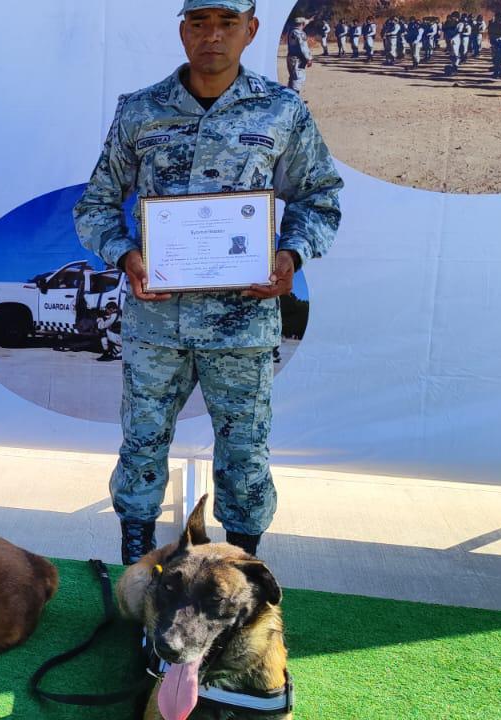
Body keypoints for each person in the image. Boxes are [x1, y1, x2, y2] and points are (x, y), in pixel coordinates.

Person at [74, 0, 343, 564]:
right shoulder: (140, 111)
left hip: (241, 323)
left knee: (244, 454)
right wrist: (125, 256)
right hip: (157, 323)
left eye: (225, 23)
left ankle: (242, 569)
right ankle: (138, 567)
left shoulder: (281, 110)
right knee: (142, 446)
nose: (212, 36)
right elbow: (96, 204)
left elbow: (320, 198)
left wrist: (290, 255)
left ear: (251, 29)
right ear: (182, 30)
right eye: (199, 23)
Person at [286, 17, 311, 92]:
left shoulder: (291, 31)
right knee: (298, 79)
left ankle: (290, 98)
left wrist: (309, 20)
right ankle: (295, 99)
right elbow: (304, 47)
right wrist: (308, 58)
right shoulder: (300, 33)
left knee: (292, 78)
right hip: (298, 60)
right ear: (302, 24)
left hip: (290, 57)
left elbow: (303, 24)